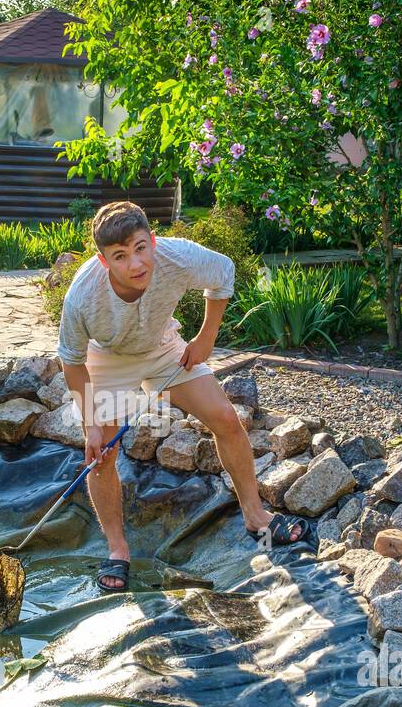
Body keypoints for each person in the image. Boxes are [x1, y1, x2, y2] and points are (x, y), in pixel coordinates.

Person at [57, 201, 312, 593]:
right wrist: (91, 422)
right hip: (108, 359)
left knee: (226, 419)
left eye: (141, 248)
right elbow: (72, 361)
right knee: (101, 454)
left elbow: (223, 273)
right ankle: (117, 549)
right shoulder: (81, 297)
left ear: (152, 240)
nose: (136, 263)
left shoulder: (178, 255)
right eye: (120, 256)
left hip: (164, 348)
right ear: (103, 260)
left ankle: (256, 515)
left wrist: (206, 338)